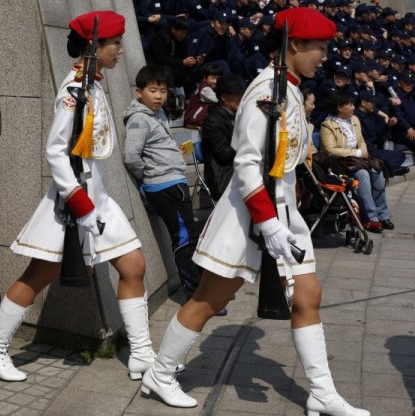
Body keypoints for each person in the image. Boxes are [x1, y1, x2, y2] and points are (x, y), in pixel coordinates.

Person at [140, 8, 371, 416]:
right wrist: (266, 223)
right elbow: (247, 165)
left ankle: (321, 391)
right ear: (294, 45)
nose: (324, 55)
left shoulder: (291, 88)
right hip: (250, 215)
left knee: (308, 295)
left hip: (283, 214)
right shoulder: (266, 91)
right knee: (209, 300)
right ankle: (160, 373)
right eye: (318, 47)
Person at [0, 10, 164, 383]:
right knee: (36, 276)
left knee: (134, 265)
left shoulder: (92, 84)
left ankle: (141, 353)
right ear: (94, 45)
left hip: (98, 197)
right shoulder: (74, 89)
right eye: (114, 43)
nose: (121, 51)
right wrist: (81, 205)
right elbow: (55, 151)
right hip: (74, 201)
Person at [122, 65, 225, 314]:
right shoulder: (139, 119)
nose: (158, 96)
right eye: (152, 90)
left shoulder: (157, 115)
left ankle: (200, 291)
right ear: (139, 92)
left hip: (173, 183)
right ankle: (195, 299)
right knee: (183, 240)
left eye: (163, 91)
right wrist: (148, 178)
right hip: (164, 186)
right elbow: (131, 156)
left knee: (189, 237)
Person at [320, 91, 393, 233]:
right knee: (363, 175)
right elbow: (330, 150)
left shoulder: (354, 120)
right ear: (339, 107)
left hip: (358, 159)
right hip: (340, 163)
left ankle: (383, 214)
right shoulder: (327, 124)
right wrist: (357, 153)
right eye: (350, 104)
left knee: (377, 170)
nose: (354, 107)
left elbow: (361, 141)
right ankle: (369, 218)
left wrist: (363, 153)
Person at [201, 75, 246, 200]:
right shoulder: (212, 121)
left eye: (242, 95)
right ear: (224, 97)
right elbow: (224, 154)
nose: (241, 99)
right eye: (237, 95)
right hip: (223, 176)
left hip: (239, 170)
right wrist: (246, 139)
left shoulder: (238, 115)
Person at [184, 62, 221, 127]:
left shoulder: (203, 85)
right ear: (204, 78)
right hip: (193, 118)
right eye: (212, 78)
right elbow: (217, 101)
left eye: (217, 78)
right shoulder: (205, 89)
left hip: (191, 117)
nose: (215, 81)